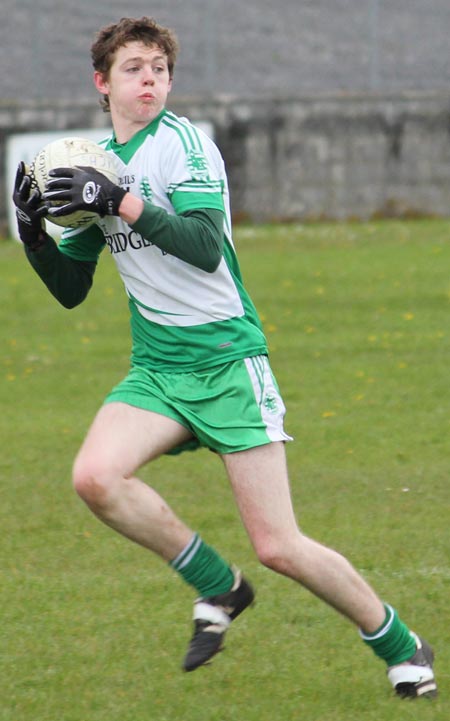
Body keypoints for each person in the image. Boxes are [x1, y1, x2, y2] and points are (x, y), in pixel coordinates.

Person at [12, 16, 437, 698]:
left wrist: (121, 203)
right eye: (133, 68)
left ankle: (399, 641)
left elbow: (204, 244)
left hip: (227, 362)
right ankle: (219, 585)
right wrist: (34, 234)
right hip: (159, 369)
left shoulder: (187, 146)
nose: (149, 78)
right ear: (102, 82)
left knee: (279, 544)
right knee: (95, 476)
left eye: (159, 68)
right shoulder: (95, 161)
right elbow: (70, 290)